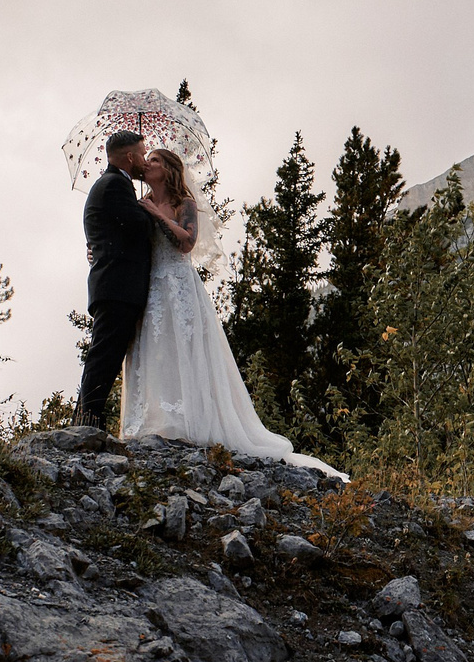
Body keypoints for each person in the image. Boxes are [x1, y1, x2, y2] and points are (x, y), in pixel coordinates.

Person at [123, 146, 339, 474]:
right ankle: (158, 418)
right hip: (153, 284)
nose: (147, 164)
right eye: (147, 159)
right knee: (157, 349)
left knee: (188, 348)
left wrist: (157, 214)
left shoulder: (185, 204)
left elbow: (187, 243)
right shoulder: (142, 203)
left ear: (167, 169)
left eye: (154, 160)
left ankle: (191, 420)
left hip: (180, 284)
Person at [76, 130, 157, 428]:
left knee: (106, 353)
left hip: (115, 285)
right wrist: (154, 209)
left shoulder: (114, 185)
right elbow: (139, 226)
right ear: (130, 157)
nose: (145, 160)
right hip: (117, 286)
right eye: (143, 153)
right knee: (104, 355)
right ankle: (88, 421)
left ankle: (86, 419)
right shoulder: (113, 185)